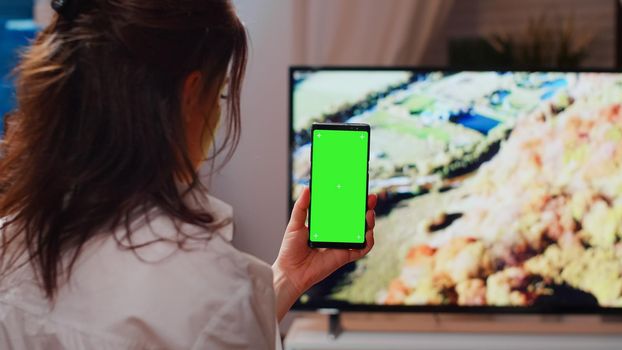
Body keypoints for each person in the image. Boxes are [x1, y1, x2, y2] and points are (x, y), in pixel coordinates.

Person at [0, 0, 377, 349]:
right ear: (191, 94)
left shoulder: (11, 238)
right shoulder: (207, 289)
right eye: (221, 95)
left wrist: (288, 280)